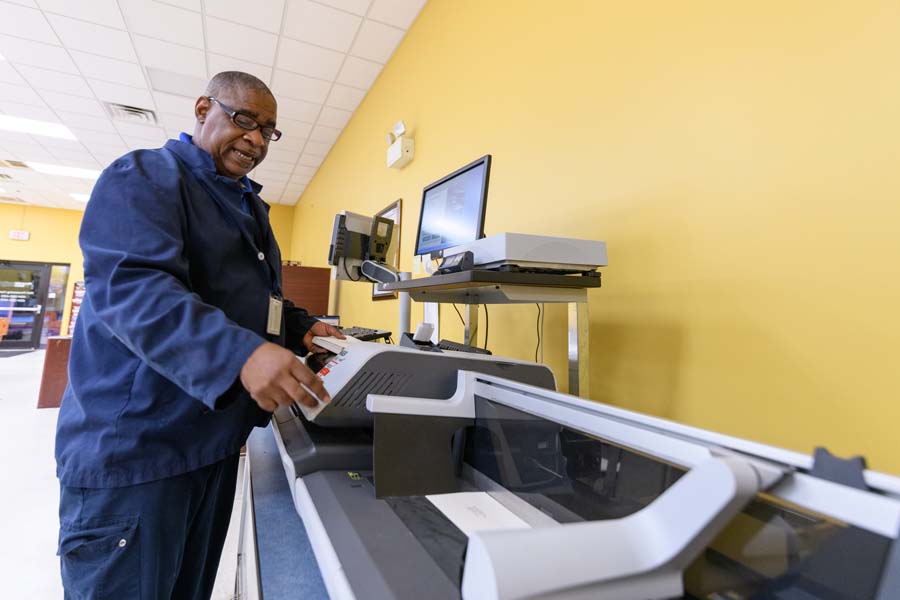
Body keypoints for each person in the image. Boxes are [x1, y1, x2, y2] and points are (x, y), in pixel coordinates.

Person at [55, 71, 342, 599]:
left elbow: (254, 301)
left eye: (268, 131)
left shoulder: (246, 205)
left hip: (209, 445)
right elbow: (134, 287)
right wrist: (243, 354)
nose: (255, 140)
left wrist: (303, 328)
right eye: (244, 120)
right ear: (203, 107)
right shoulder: (144, 176)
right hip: (137, 452)